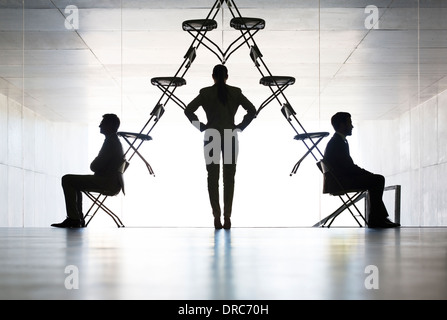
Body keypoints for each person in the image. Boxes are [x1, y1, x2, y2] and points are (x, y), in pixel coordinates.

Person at [184, 64, 256, 229]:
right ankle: (228, 216)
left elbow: (188, 110)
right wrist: (240, 126)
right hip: (230, 134)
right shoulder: (236, 92)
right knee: (229, 178)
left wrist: (201, 126)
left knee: (212, 177)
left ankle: (216, 216)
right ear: (227, 76)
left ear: (213, 76)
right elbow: (252, 110)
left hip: (211, 135)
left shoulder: (205, 93)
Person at [323, 112, 400, 228]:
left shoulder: (338, 141)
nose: (352, 126)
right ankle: (376, 220)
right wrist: (368, 174)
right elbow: (349, 167)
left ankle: (379, 218)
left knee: (376, 179)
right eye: (349, 123)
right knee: (377, 180)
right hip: (341, 182)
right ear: (341, 125)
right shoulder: (338, 143)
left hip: (339, 180)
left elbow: (347, 166)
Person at [51, 114, 125, 228]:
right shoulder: (114, 141)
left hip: (105, 182)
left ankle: (75, 219)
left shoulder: (110, 142)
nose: (100, 125)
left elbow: (94, 166)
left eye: (103, 123)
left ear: (110, 125)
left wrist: (96, 163)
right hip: (110, 182)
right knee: (74, 183)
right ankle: (77, 218)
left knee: (67, 179)